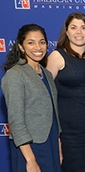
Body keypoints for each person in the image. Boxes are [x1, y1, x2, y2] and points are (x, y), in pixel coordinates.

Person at [46, 12, 85, 172]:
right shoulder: (57, 56)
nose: (79, 32)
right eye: (74, 27)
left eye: (83, 27)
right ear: (66, 31)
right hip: (70, 132)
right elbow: (45, 94)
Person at [1, 24, 61, 172]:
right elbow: (16, 121)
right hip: (29, 148)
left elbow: (53, 112)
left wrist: (58, 144)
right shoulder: (15, 74)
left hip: (50, 143)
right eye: (31, 42)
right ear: (21, 47)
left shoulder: (46, 73)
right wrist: (30, 160)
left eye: (42, 42)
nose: (38, 47)